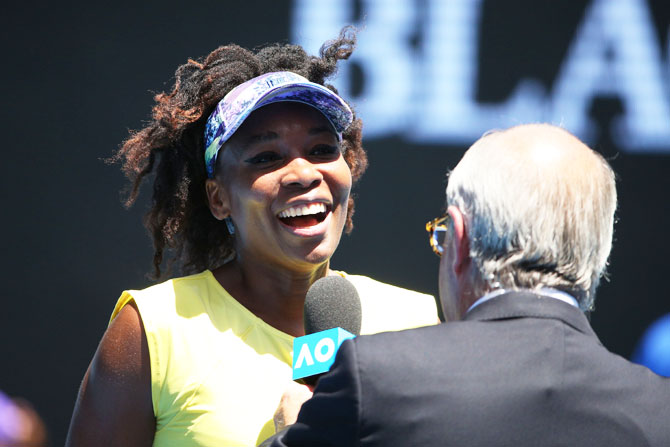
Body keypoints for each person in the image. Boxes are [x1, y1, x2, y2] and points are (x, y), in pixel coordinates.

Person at [65, 27, 438, 447]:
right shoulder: (152, 331)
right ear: (218, 197)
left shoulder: (422, 323)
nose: (303, 173)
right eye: (266, 158)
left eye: (321, 149)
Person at [267, 123, 670, 447]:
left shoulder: (373, 378)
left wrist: (295, 431)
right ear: (599, 255)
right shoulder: (658, 411)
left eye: (441, 235)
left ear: (458, 240)